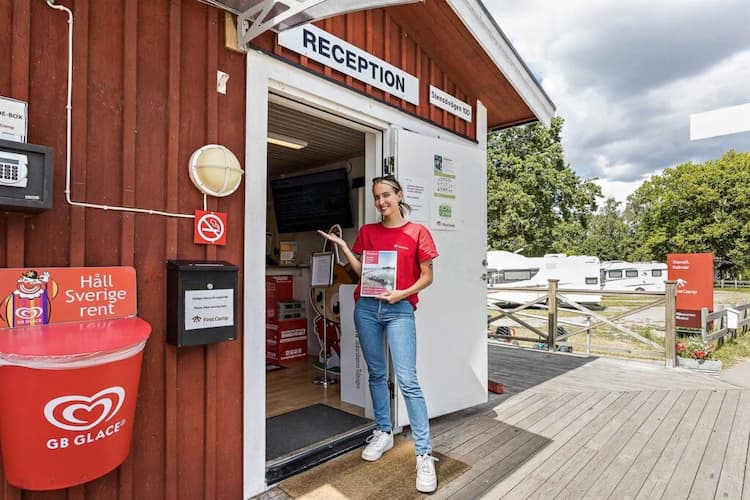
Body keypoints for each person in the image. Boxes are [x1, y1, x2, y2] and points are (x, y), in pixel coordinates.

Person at [318, 175, 439, 493]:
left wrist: (402, 294)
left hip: (399, 310)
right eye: (376, 197)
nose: (381, 201)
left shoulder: (417, 232)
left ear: (398, 196)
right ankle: (384, 432)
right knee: (376, 374)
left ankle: (424, 454)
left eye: (386, 195)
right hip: (367, 309)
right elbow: (363, 273)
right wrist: (345, 248)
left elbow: (427, 276)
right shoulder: (368, 233)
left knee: (407, 380)